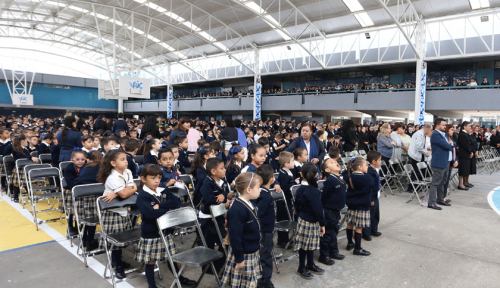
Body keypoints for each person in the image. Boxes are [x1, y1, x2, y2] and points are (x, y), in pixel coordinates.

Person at [135, 164, 196, 288]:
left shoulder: (162, 190)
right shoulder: (142, 196)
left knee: (171, 257)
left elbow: (176, 202)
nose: (157, 181)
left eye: (158, 177)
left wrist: (162, 206)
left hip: (166, 231)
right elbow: (151, 214)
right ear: (143, 179)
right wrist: (168, 208)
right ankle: (152, 285)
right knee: (151, 261)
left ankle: (180, 278)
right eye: (152, 178)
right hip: (151, 233)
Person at [97, 149, 138, 279]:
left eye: (126, 159)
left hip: (124, 209)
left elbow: (133, 188)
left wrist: (116, 193)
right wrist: (123, 192)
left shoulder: (128, 172)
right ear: (113, 163)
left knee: (123, 237)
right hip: (112, 213)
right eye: (122, 159)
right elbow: (126, 193)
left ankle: (118, 261)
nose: (126, 161)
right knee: (115, 241)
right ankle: (117, 265)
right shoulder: (112, 178)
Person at [221, 172, 263, 288]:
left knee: (250, 283)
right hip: (243, 254)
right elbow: (235, 237)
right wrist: (239, 259)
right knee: (244, 284)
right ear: (248, 189)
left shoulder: (249, 203)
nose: (260, 190)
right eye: (258, 187)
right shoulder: (237, 209)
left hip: (251, 250)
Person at [294, 162, 326, 280]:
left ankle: (310, 264)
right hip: (311, 221)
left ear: (301, 174)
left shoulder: (301, 188)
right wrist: (322, 224)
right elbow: (318, 210)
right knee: (306, 246)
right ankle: (302, 267)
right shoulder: (313, 191)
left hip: (303, 219)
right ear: (316, 175)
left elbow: (296, 206)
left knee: (307, 245)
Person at [199, 158, 230, 272]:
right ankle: (207, 268)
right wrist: (223, 198)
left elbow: (228, 192)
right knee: (209, 244)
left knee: (225, 241)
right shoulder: (207, 183)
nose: (225, 170)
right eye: (222, 168)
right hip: (207, 219)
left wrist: (223, 195)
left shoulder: (223, 181)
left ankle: (218, 265)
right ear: (213, 171)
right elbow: (208, 199)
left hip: (219, 216)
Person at [342, 156, 373, 256]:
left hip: (351, 205)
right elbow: (373, 182)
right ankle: (358, 248)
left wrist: (350, 166)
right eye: (365, 165)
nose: (367, 167)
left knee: (350, 224)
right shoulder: (366, 178)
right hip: (362, 206)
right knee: (359, 228)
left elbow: (344, 173)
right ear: (359, 167)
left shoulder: (348, 176)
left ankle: (350, 242)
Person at [319, 158, 346, 266]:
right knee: (327, 234)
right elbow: (324, 196)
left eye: (335, 162)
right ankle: (324, 255)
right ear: (327, 170)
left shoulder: (340, 178)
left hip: (336, 211)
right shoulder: (330, 180)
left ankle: (333, 251)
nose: (335, 162)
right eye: (331, 162)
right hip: (329, 211)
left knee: (334, 232)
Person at [254, 165, 276, 288]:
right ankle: (264, 280)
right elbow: (258, 213)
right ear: (272, 179)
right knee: (266, 255)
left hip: (263, 230)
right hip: (264, 231)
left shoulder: (260, 193)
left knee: (264, 254)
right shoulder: (265, 196)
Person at [428, 118, 453, 210]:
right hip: (439, 162)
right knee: (435, 183)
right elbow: (448, 146)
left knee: (442, 182)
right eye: (443, 125)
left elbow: (451, 143)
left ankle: (440, 199)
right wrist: (449, 144)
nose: (445, 126)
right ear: (437, 126)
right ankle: (431, 202)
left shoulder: (443, 134)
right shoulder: (436, 134)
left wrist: (450, 144)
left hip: (445, 161)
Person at [276, 151, 299, 248]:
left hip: (288, 200)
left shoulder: (288, 172)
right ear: (286, 164)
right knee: (284, 219)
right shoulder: (284, 174)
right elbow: (285, 187)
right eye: (292, 161)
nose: (294, 163)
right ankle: (282, 240)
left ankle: (285, 239)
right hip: (283, 202)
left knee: (287, 217)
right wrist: (294, 182)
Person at [63, 149, 87, 234]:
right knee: (71, 210)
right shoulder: (69, 168)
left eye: (82, 159)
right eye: (77, 159)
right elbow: (71, 183)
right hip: (71, 190)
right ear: (72, 160)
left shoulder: (86, 167)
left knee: (81, 209)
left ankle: (79, 225)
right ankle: (70, 225)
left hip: (82, 190)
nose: (80, 162)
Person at [10, 135, 39, 203]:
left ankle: (31, 195)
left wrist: (30, 157)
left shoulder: (25, 148)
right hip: (19, 168)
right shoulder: (16, 149)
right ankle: (16, 196)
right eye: (26, 141)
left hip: (26, 167)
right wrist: (31, 157)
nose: (27, 142)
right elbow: (21, 157)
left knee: (27, 182)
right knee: (17, 183)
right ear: (22, 141)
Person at [362, 151, 383, 240]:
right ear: (373, 161)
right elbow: (369, 187)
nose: (381, 161)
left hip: (376, 195)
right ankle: (366, 233)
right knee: (369, 215)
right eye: (379, 160)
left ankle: (374, 229)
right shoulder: (369, 171)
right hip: (371, 196)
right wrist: (370, 199)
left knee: (376, 214)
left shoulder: (375, 169)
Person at [407, 124, 433, 191]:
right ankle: (412, 187)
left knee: (422, 170)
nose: (431, 132)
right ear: (427, 129)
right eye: (430, 130)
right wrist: (426, 152)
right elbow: (419, 146)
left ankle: (419, 186)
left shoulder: (421, 133)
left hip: (418, 155)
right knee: (416, 172)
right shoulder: (419, 134)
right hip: (415, 155)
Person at [443, 124, 458, 204]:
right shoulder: (444, 137)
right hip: (446, 161)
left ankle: (444, 196)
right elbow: (449, 147)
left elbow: (454, 147)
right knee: (444, 180)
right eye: (452, 129)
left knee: (447, 180)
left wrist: (455, 160)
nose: (453, 131)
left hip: (451, 161)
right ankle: (442, 197)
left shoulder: (450, 138)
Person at [457, 121, 474, 190]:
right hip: (463, 154)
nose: (470, 127)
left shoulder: (465, 134)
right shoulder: (462, 134)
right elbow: (465, 145)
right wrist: (470, 151)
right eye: (469, 126)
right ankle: (460, 184)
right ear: (464, 126)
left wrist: (471, 151)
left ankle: (465, 183)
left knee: (466, 169)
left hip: (466, 154)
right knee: (462, 169)